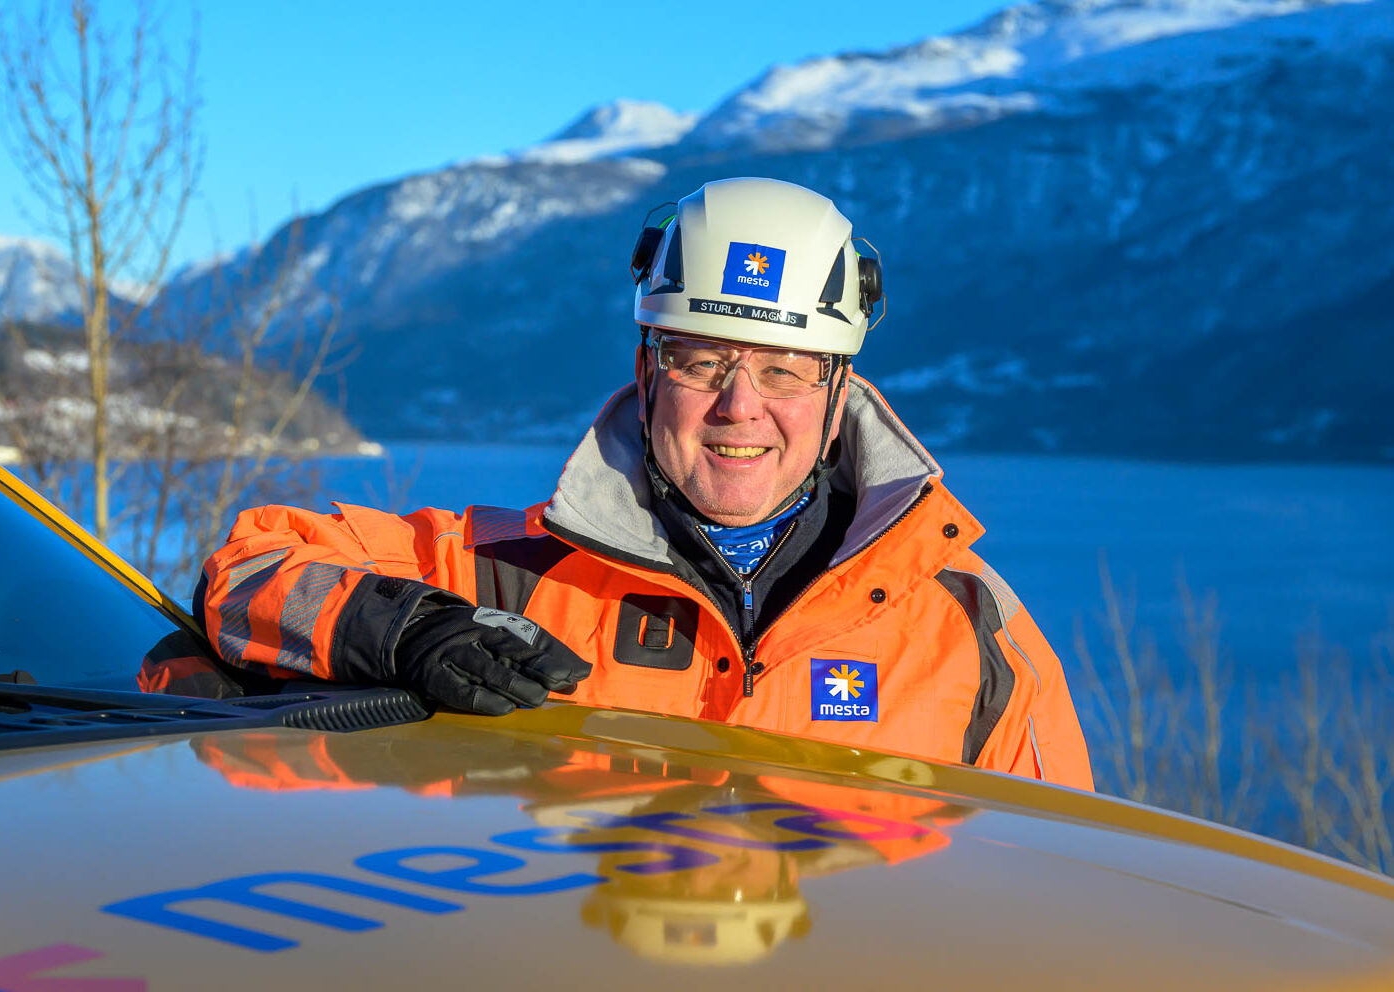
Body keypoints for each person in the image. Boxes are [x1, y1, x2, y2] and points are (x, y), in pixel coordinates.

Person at [168, 177, 1093, 790]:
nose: (739, 407)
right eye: (700, 362)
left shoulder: (968, 634)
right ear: (648, 374)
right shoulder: (502, 574)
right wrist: (402, 630)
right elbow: (245, 569)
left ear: (837, 389)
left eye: (783, 371)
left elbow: (1070, 884)